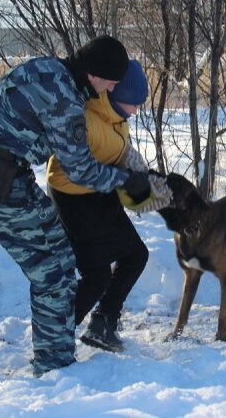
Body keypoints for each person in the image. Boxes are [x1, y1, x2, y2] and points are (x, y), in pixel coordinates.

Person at [0, 35, 153, 377]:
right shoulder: (65, 97)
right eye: (112, 79)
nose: (113, 87)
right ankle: (54, 366)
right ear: (95, 74)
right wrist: (126, 181)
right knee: (56, 268)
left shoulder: (43, 68)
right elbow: (79, 168)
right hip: (1, 183)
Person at [47, 59, 169, 352]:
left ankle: (103, 321)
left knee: (135, 255)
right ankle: (55, 336)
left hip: (100, 194)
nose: (136, 110)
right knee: (97, 275)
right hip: (76, 201)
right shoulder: (86, 119)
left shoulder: (115, 118)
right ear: (117, 96)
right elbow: (80, 168)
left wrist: (153, 189)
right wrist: (128, 182)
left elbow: (121, 153)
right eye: (134, 103)